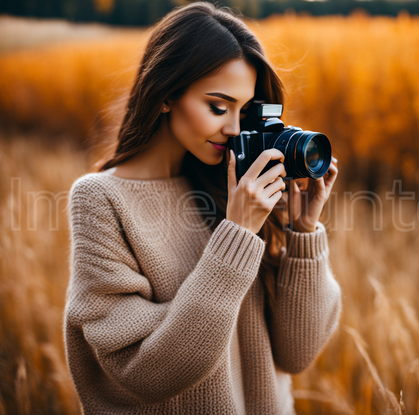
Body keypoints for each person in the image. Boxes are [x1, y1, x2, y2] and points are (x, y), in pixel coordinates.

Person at [63, 2, 341, 414]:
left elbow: (296, 354)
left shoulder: (229, 185)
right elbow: (147, 371)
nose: (232, 128)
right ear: (165, 95)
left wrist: (303, 229)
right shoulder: (100, 200)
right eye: (217, 106)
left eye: (243, 111)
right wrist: (238, 235)